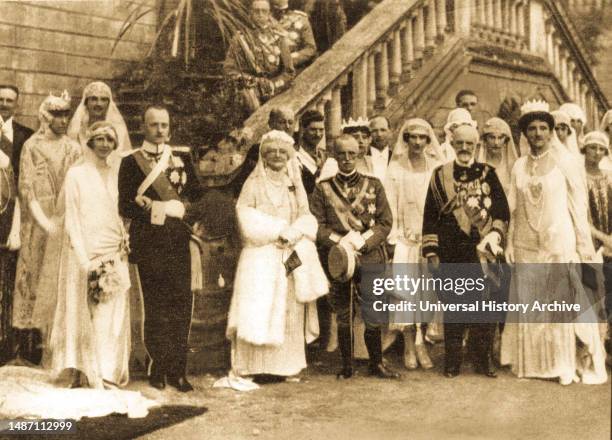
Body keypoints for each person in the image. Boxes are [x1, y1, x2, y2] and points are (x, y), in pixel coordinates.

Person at [500, 100, 607, 385]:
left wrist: (584, 247)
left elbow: (578, 208)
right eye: (532, 129)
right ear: (524, 133)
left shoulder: (567, 163)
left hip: (559, 241)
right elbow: (513, 209)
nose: (537, 134)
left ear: (551, 133)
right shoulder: (519, 166)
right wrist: (509, 243)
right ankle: (533, 364)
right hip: (525, 241)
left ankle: (563, 364)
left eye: (543, 128)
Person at [227, 130, 327, 380]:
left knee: (290, 309)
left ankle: (287, 366)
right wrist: (277, 230)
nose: (278, 156)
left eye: (283, 152)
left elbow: (306, 214)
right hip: (261, 253)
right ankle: (250, 367)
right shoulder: (253, 183)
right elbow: (244, 214)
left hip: (288, 253)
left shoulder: (295, 184)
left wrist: (296, 231)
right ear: (263, 155)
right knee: (257, 307)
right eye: (272, 152)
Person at [118, 105, 203, 392]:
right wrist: (156, 208)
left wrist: (181, 209)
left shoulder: (182, 159)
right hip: (149, 243)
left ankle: (178, 370)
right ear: (143, 127)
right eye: (154, 125)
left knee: (181, 306)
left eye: (164, 125)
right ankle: (157, 367)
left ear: (170, 127)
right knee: (155, 308)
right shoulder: (130, 162)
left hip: (179, 241)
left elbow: (196, 198)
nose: (159, 130)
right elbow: (124, 205)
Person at [41, 121, 131, 389]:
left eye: (109, 140)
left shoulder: (118, 174)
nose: (104, 144)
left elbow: (122, 212)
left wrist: (124, 238)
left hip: (114, 251)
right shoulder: (76, 175)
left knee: (113, 313)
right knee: (83, 311)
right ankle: (82, 368)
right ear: (90, 142)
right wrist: (84, 259)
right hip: (85, 254)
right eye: (99, 139)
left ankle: (107, 372)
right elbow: (72, 220)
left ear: (115, 144)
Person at [422, 124, 510, 378]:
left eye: (469, 144)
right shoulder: (439, 175)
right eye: (459, 143)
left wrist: (494, 234)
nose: (463, 148)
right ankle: (452, 362)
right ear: (451, 143)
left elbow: (502, 211)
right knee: (454, 308)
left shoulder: (488, 173)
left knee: (485, 308)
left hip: (482, 251)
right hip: (452, 251)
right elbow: (429, 216)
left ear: (476, 146)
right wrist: (432, 251)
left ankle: (483, 361)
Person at [311, 134, 399, 379]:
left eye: (352, 154)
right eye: (341, 154)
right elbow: (316, 225)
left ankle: (376, 363)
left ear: (360, 154)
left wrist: (365, 240)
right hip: (338, 259)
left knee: (374, 311)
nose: (347, 159)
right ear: (334, 156)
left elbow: (385, 222)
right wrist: (339, 242)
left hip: (370, 257)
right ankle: (347, 366)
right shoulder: (323, 188)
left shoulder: (374, 185)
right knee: (344, 312)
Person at [12, 92, 81, 365]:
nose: (62, 121)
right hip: (38, 224)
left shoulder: (73, 148)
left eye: (66, 115)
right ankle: (30, 345)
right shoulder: (31, 146)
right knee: (33, 277)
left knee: (58, 279)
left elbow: (76, 188)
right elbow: (27, 190)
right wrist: (45, 222)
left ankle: (56, 346)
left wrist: (64, 221)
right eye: (57, 115)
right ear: (46, 117)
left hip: (64, 221)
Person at [385, 118, 443, 370]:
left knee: (428, 294)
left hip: (429, 240)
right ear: (405, 139)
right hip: (405, 240)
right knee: (406, 295)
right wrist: (395, 236)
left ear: (429, 140)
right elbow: (390, 203)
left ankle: (422, 343)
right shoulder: (395, 168)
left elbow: (443, 206)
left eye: (422, 137)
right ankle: (409, 344)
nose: (417, 142)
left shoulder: (438, 167)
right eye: (413, 137)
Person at [0, 84, 34, 364]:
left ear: (17, 105)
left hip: (13, 216)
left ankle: (7, 348)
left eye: (9, 100)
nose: (4, 104)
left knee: (9, 281)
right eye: (0, 99)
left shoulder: (26, 136)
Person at [223, 0, 295, 114]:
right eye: (257, 11)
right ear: (250, 14)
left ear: (269, 14)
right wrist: (254, 81)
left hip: (275, 94)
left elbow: (289, 71)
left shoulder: (279, 38)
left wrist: (273, 85)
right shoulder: (240, 39)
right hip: (250, 95)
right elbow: (229, 70)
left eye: (264, 11)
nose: (260, 15)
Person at [581, 130, 612, 366]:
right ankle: (590, 350)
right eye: (593, 147)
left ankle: (606, 345)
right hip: (587, 242)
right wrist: (601, 238)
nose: (597, 153)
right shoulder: (579, 177)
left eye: (602, 149)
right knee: (591, 295)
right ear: (584, 149)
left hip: (609, 244)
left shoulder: (608, 176)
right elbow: (582, 218)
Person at [67, 81, 132, 166]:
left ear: (109, 103)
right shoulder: (76, 130)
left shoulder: (119, 130)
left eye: (104, 99)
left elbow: (126, 161)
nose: (99, 104)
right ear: (86, 103)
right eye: (94, 99)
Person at [476, 117, 519, 193]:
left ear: (505, 141)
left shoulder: (512, 166)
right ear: (485, 140)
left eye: (500, 138)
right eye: (492, 137)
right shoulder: (477, 163)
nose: (496, 142)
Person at [270, 0, 317, 68]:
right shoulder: (262, 20)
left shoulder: (300, 20)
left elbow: (310, 49)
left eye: (283, 10)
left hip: (294, 67)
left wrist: (291, 59)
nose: (281, 13)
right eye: (276, 10)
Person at [295, 110, 325, 194]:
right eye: (313, 130)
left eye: (321, 130)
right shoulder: (295, 155)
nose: (318, 134)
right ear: (303, 129)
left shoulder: (325, 155)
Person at [368, 116, 393, 182]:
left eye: (383, 130)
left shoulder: (397, 158)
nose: (379, 134)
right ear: (369, 134)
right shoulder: (362, 157)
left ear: (390, 132)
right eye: (374, 131)